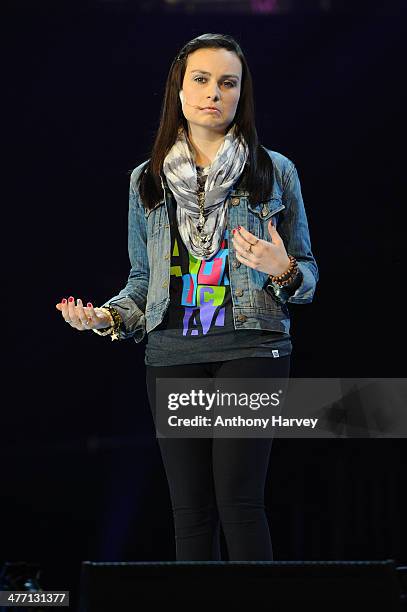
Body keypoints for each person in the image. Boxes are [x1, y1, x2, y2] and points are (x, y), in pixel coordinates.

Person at [55, 33, 318, 561]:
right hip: (172, 353)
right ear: (179, 90)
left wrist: (283, 268)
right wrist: (106, 316)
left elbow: (307, 277)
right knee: (190, 513)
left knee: (240, 504)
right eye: (201, 80)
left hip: (251, 347)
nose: (213, 93)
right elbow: (140, 281)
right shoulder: (146, 180)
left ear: (241, 94)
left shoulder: (273, 171)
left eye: (228, 83)